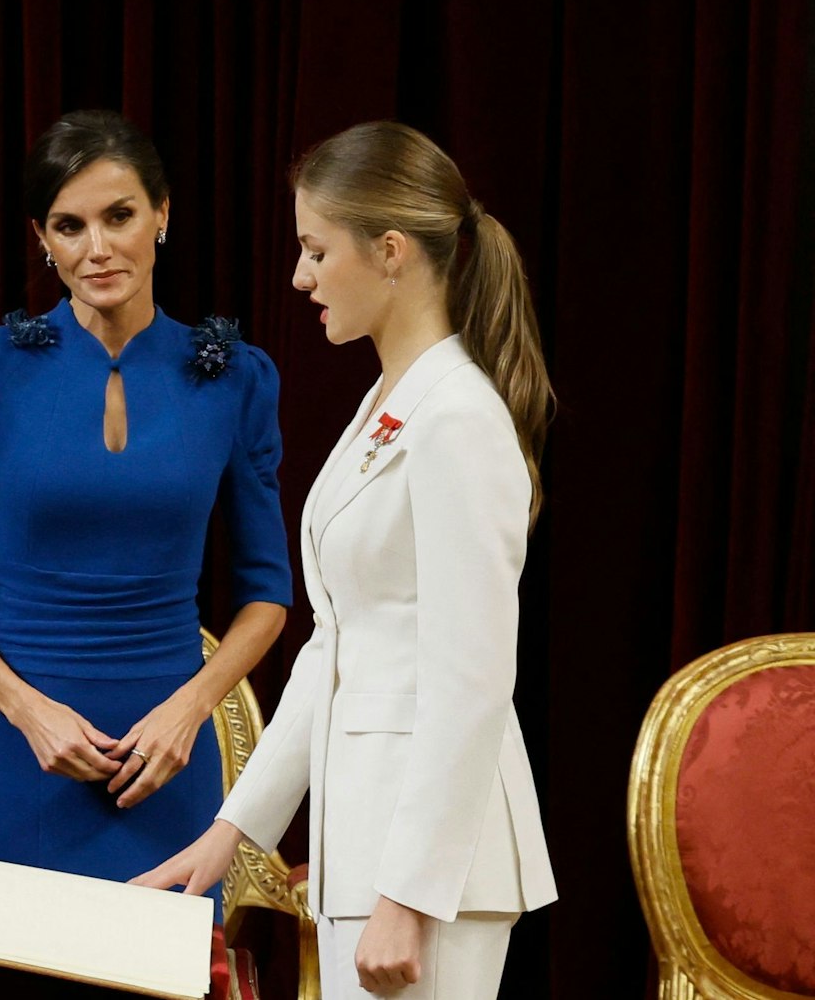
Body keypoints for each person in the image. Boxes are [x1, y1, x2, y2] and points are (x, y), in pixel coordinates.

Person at [134, 121, 558, 997]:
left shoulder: (459, 418)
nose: (301, 275)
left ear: (392, 251)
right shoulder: (386, 403)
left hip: (431, 869)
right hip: (366, 840)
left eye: (317, 249)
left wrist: (406, 892)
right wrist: (229, 834)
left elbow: (470, 678)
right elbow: (337, 646)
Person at [0, 110, 293, 893]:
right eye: (69, 226)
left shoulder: (235, 379)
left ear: (163, 214)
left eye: (120, 216)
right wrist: (27, 711)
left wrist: (191, 709)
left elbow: (269, 594)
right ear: (42, 237)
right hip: (23, 759)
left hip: (167, 763)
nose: (98, 248)